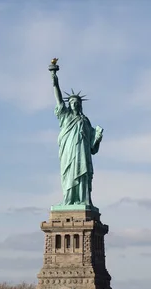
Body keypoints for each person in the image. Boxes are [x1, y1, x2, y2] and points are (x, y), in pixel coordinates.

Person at [51, 69, 103, 206]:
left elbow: (92, 147)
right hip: (69, 151)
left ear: (80, 105)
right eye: (72, 102)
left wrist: (97, 137)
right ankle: (68, 200)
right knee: (69, 175)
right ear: (69, 104)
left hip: (82, 153)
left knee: (83, 174)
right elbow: (59, 100)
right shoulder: (65, 116)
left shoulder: (85, 120)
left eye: (77, 102)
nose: (74, 104)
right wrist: (55, 82)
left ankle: (83, 199)